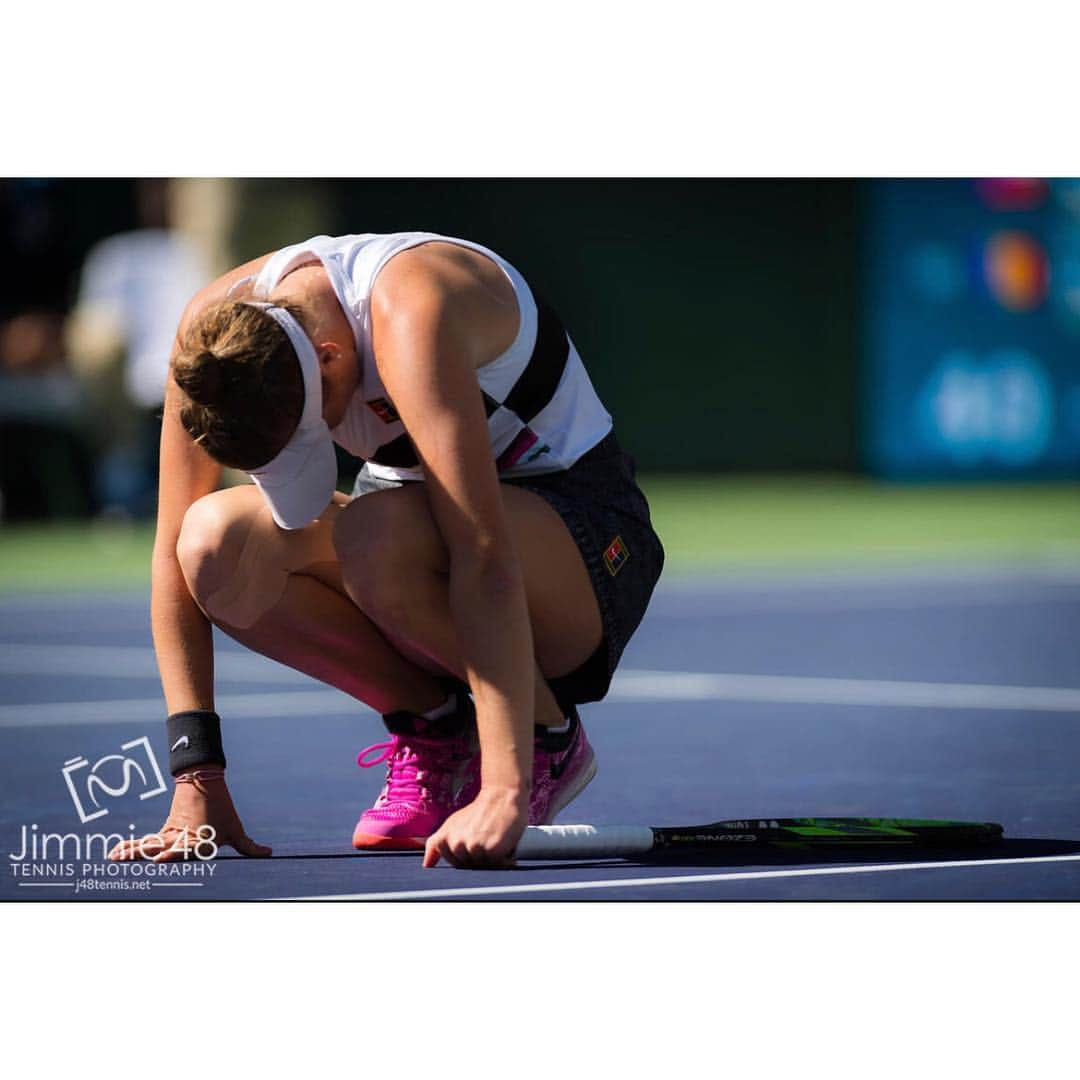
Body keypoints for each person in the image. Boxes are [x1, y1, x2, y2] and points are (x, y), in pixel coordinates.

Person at [107, 231, 664, 869]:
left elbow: (481, 555)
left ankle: (547, 740)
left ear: (331, 356)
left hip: (582, 546)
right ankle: (436, 728)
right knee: (211, 544)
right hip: (410, 541)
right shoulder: (210, 348)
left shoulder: (413, 311)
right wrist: (195, 780)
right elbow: (169, 560)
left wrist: (506, 786)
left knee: (375, 534)